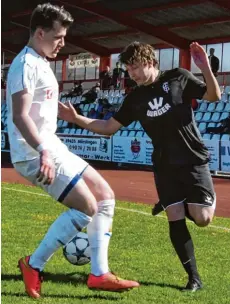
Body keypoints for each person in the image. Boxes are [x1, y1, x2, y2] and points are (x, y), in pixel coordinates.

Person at [59, 41, 221, 292]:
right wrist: (76, 118)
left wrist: (205, 68)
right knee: (175, 217)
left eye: (134, 67)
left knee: (202, 219)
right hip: (164, 165)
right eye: (128, 69)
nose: (131, 74)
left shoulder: (178, 77)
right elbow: (108, 128)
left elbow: (214, 96)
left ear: (149, 61)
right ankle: (193, 278)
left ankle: (186, 203)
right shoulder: (135, 98)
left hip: (192, 159)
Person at [6, 3, 139, 299]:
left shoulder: (40, 60)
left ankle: (99, 273)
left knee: (105, 196)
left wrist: (65, 118)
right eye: (58, 37)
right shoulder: (25, 64)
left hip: (50, 145)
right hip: (34, 153)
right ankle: (33, 264)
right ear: (40, 32)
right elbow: (20, 116)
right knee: (86, 207)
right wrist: (41, 150)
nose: (63, 43)